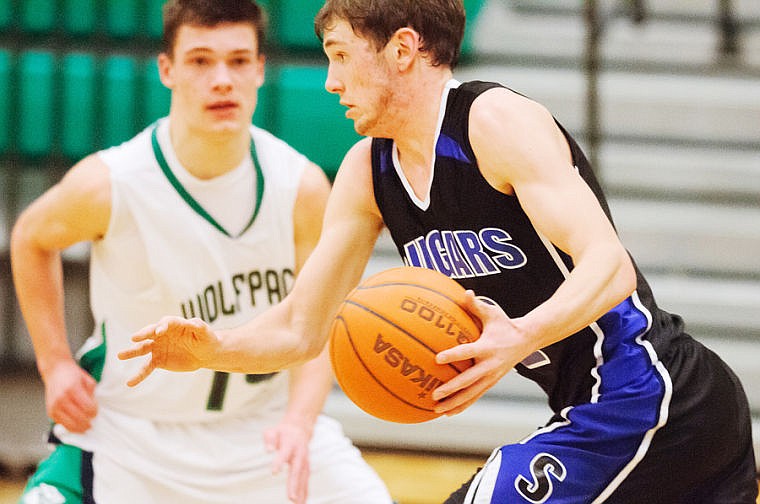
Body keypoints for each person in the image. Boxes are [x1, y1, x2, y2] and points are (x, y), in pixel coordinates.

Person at [118, 0, 758, 502]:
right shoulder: (368, 171)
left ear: (402, 48)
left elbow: (610, 266)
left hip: (651, 395)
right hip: (601, 411)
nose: (331, 81)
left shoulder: (493, 122)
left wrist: (518, 336)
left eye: (340, 56)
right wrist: (213, 350)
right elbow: (300, 327)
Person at [10, 1, 394, 503]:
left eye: (238, 61)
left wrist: (300, 423)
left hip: (263, 434)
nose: (221, 80)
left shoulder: (300, 188)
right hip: (132, 435)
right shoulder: (113, 184)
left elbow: (319, 328)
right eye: (200, 61)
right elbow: (31, 238)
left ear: (260, 69)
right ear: (166, 69)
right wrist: (55, 363)